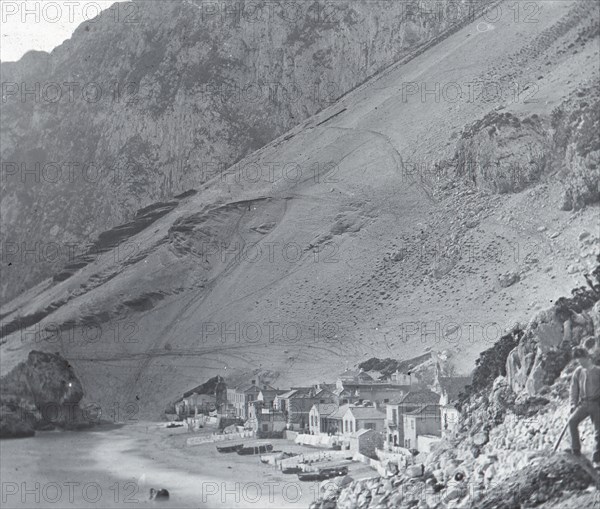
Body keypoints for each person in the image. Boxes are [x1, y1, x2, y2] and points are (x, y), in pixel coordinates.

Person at [566, 348, 600, 467]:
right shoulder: (578, 372)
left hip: (597, 404)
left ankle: (596, 459)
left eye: (580, 359)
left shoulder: (597, 371)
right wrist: (572, 404)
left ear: (586, 357)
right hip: (583, 404)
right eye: (577, 360)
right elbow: (573, 389)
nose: (579, 362)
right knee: (572, 421)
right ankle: (576, 451)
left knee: (598, 431)